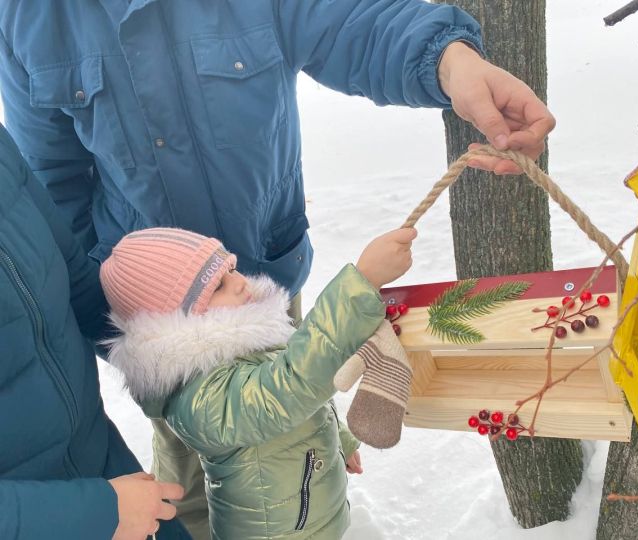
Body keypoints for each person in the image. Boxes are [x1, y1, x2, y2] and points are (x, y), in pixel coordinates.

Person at [0, 2, 556, 535]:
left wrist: (448, 60)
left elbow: (350, 21)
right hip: (157, 321)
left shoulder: (243, 283)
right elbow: (55, 183)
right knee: (189, 475)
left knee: (293, 414)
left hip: (261, 278)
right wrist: (125, 328)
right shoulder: (27, 16)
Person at [97, 225, 415, 539]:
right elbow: (287, 388)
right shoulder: (199, 397)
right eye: (218, 286)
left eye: (231, 268)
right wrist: (360, 286)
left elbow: (301, 393)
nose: (238, 282)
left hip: (314, 519)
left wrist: (339, 439)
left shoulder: (249, 339)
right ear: (176, 322)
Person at [0, 125, 190, 539]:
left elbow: (73, 277)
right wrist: (95, 514)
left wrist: (189, 350)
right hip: (63, 518)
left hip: (106, 469)